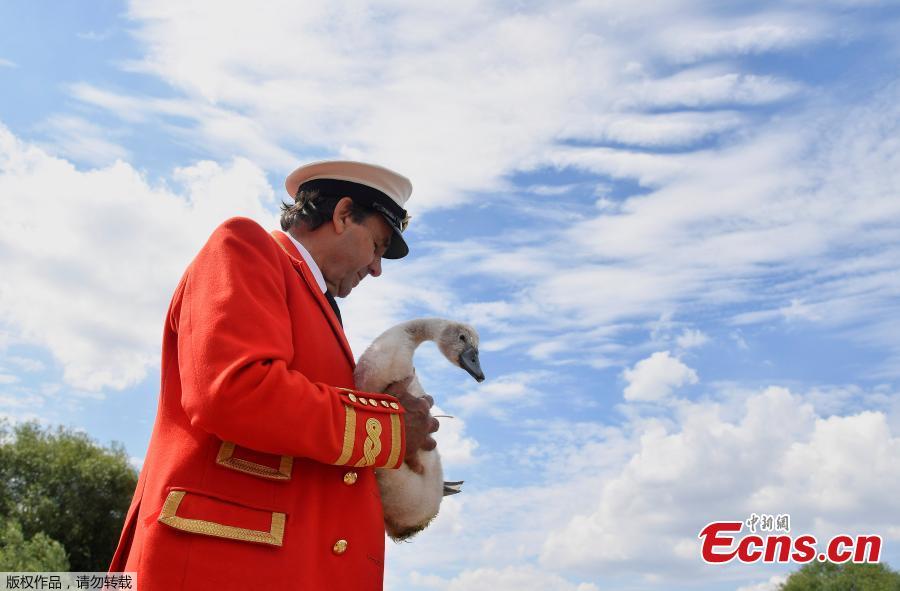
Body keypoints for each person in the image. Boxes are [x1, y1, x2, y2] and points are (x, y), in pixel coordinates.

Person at [109, 160, 440, 590]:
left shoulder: (318, 305)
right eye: (377, 246)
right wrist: (390, 427)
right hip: (222, 570)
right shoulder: (244, 244)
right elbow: (235, 390)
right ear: (343, 215)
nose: (376, 267)